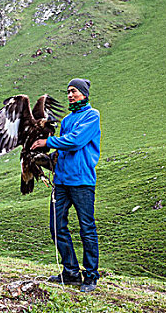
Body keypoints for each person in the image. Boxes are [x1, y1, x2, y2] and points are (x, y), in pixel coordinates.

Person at [31, 78, 101, 293]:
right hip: (61, 182)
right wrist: (45, 158)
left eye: (74, 91)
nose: (70, 95)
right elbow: (64, 150)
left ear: (84, 94)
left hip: (82, 181)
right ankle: (70, 271)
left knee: (86, 229)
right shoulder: (68, 119)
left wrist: (48, 142)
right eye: (68, 92)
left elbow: (76, 142)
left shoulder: (92, 115)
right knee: (56, 226)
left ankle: (90, 276)